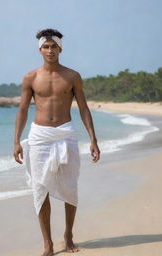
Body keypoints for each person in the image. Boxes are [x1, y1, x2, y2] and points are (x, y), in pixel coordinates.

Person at [13, 28, 100, 256]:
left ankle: (68, 235)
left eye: (54, 46)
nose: (50, 50)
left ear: (60, 48)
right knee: (40, 189)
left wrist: (93, 138)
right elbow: (22, 109)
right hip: (39, 136)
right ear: (40, 49)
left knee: (70, 188)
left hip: (65, 134)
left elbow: (83, 107)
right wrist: (16, 141)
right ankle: (48, 244)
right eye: (46, 46)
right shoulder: (30, 77)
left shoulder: (72, 76)